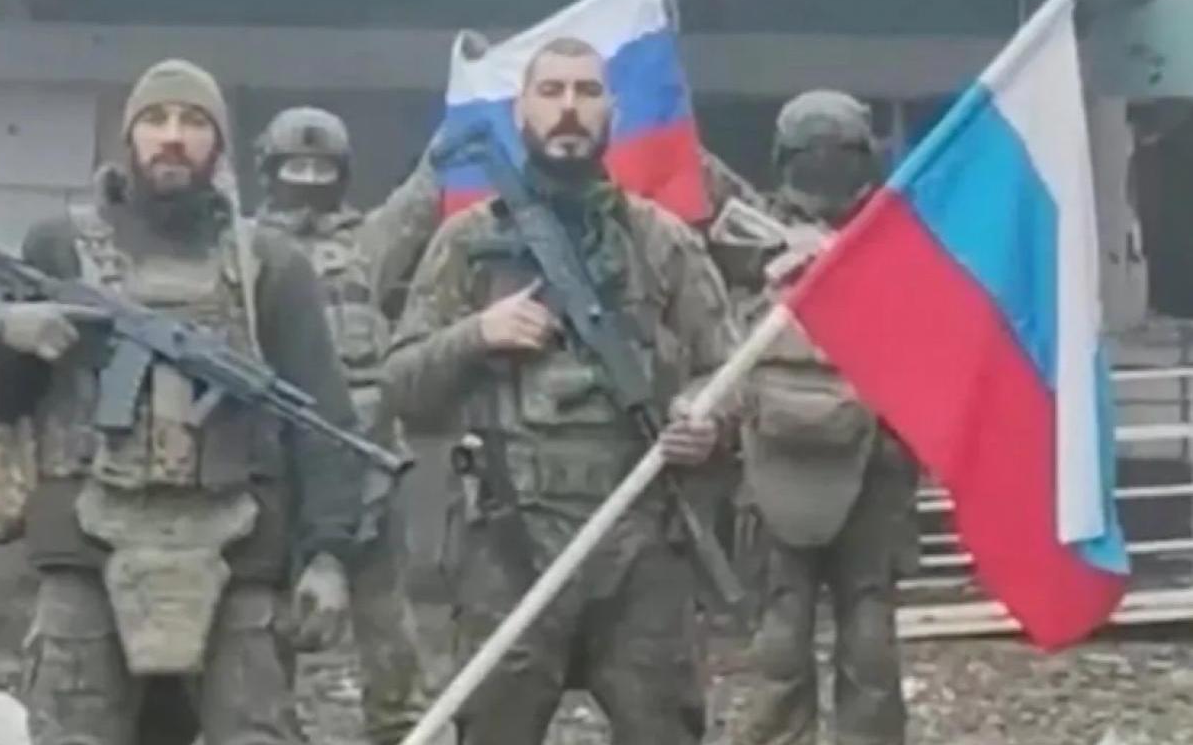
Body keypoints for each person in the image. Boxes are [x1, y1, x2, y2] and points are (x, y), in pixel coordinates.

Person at [0, 59, 365, 745]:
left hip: (237, 555)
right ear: (129, 137)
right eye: (155, 119)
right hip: (86, 551)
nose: (172, 136)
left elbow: (323, 420)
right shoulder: (59, 248)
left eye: (193, 121)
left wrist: (327, 554)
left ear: (219, 143)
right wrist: (3, 333)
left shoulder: (270, 265)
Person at [385, 36, 736, 745]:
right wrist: (477, 334)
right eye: (551, 92)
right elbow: (402, 386)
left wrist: (705, 421)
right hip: (508, 542)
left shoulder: (661, 241)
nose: (569, 108)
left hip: (640, 543)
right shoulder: (466, 242)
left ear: (613, 111)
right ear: (521, 111)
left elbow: (728, 375)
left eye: (586, 91)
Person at [729, 90, 919, 745]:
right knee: (839, 636)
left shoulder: (749, 238)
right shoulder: (752, 239)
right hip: (809, 457)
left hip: (835, 463)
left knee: (811, 638)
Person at [254, 106, 434, 745]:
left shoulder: (369, 244)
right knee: (266, 620)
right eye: (295, 167)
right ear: (269, 172)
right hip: (276, 464)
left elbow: (421, 199)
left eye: (321, 169)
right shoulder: (244, 250)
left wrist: (469, 111)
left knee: (387, 623)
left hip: (366, 460)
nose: (308, 181)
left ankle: (399, 728)